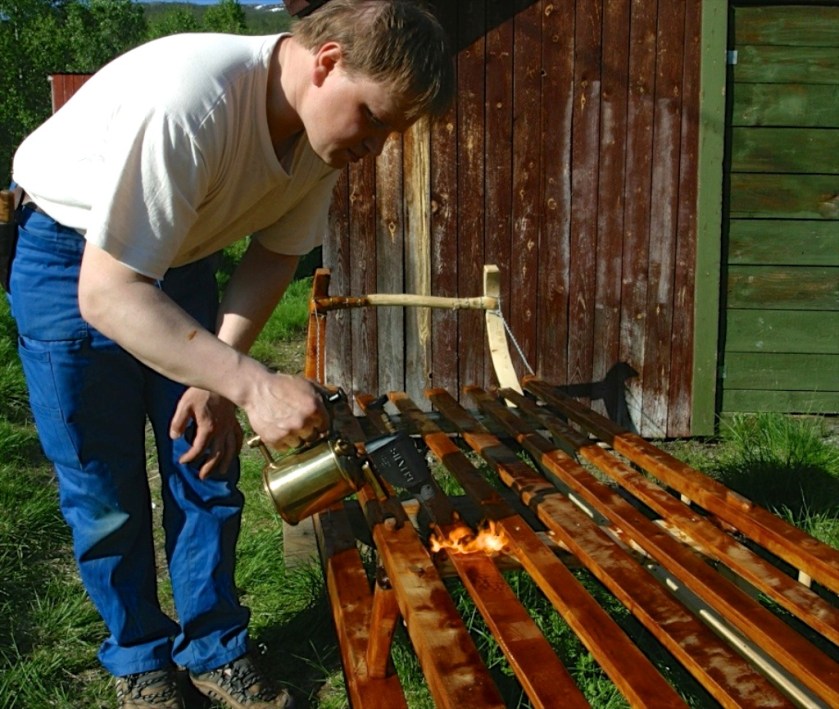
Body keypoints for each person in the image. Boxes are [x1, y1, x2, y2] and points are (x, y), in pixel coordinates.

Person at [8, 1, 454, 707]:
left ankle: (216, 647)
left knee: (204, 459)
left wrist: (223, 374)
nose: (377, 144)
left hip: (182, 253)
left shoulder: (320, 138)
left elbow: (275, 254)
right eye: (373, 117)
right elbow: (109, 293)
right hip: (70, 260)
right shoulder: (191, 100)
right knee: (102, 487)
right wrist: (252, 383)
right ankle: (138, 660)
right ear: (328, 61)